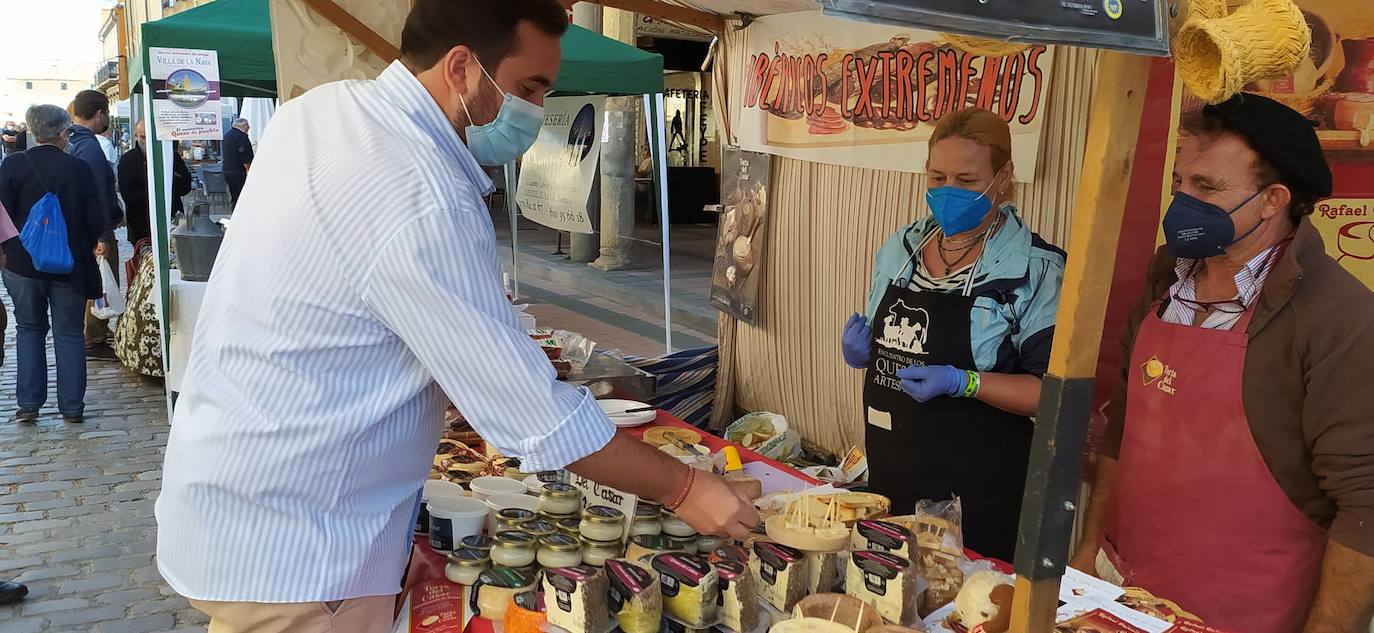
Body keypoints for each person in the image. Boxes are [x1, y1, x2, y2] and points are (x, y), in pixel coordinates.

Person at [155, 1, 759, 631]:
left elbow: (349, 317)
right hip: (303, 548)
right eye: (528, 89)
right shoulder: (419, 191)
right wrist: (684, 489)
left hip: (244, 503)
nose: (531, 111)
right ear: (464, 68)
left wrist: (387, 547)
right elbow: (533, 419)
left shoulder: (325, 110)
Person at [1070, 94, 1374, 632]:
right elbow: (1123, 428)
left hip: (1246, 610)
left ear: (1272, 199)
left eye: (1206, 187)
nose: (1183, 200)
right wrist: (1089, 551)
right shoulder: (1166, 283)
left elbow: (1365, 507)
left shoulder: (1341, 319)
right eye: (1180, 182)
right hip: (1125, 593)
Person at [840, 107, 1065, 562]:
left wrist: (965, 382)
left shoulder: (1035, 269)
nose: (948, 192)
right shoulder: (901, 249)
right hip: (893, 463)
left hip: (978, 487)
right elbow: (890, 341)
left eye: (965, 180)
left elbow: (1052, 394)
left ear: (1002, 178)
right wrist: (861, 351)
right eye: (937, 177)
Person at [0, 105, 106, 424]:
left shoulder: (12, 165)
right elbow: (94, 219)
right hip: (69, 263)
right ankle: (72, 407)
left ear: (33, 131)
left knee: (29, 329)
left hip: (20, 263)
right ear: (63, 133)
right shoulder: (78, 168)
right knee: (69, 332)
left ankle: (29, 405)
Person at [66, 90, 122, 362]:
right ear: (99, 114)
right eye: (106, 114)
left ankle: (93, 334)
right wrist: (101, 233)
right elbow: (96, 191)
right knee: (101, 279)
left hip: (82, 226)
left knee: (97, 278)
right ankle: (94, 336)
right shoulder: (89, 146)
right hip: (95, 227)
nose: (107, 119)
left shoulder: (71, 140)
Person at [119, 120, 192, 247]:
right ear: (136, 136)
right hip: (141, 225)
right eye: (143, 137)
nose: (147, 141)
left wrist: (171, 183)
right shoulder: (128, 160)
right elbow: (129, 196)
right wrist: (161, 187)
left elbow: (186, 186)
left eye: (151, 136)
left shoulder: (172, 156)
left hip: (171, 219)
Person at [220, 118, 253, 207]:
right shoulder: (241, 136)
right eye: (248, 126)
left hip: (227, 170)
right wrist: (249, 169)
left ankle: (234, 210)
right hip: (238, 171)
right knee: (241, 194)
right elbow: (245, 156)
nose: (249, 128)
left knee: (234, 194)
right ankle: (240, 212)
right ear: (244, 126)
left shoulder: (227, 135)